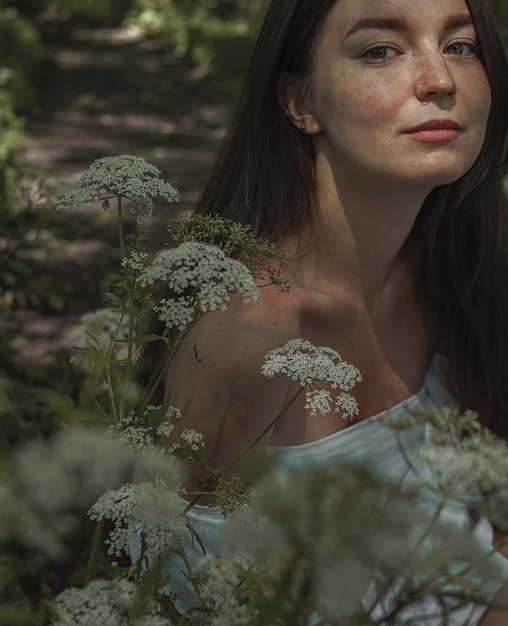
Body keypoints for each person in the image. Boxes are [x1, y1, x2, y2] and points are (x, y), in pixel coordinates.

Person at [143, 0, 508, 622]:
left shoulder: (464, 275)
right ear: (299, 103)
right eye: (379, 50)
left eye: (460, 45)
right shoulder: (249, 328)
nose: (440, 80)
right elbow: (177, 592)